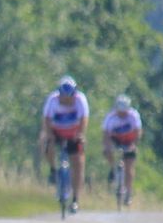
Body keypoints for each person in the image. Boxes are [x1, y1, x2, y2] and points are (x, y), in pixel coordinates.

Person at [39, 75, 89, 212]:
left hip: (73, 133)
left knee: (78, 162)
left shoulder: (80, 100)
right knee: (46, 142)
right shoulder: (52, 100)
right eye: (63, 96)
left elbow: (84, 119)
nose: (66, 99)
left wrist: (81, 134)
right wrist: (49, 135)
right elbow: (47, 119)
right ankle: (53, 169)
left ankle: (75, 199)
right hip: (56, 132)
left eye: (69, 96)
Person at [101, 95, 144, 205]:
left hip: (129, 141)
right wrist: (107, 147)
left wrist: (134, 145)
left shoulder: (133, 115)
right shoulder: (110, 117)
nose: (122, 114)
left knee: (129, 167)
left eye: (124, 112)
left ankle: (128, 193)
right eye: (120, 112)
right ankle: (112, 168)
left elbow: (138, 132)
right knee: (107, 151)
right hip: (115, 141)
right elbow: (106, 135)